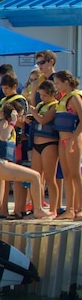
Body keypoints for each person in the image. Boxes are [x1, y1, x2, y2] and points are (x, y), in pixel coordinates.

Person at [0, 103, 53, 229]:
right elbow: (3, 136)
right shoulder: (4, 122)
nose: (22, 117)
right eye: (21, 114)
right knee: (36, 176)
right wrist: (12, 122)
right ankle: (38, 209)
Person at [0, 73, 31, 218]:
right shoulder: (4, 100)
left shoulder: (20, 100)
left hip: (18, 141)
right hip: (5, 141)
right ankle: (2, 209)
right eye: (3, 88)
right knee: (5, 177)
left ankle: (19, 209)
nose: (5, 91)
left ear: (15, 87)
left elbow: (22, 120)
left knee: (18, 176)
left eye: (7, 88)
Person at [27, 80, 61, 217]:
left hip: (49, 144)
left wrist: (34, 114)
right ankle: (38, 207)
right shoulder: (41, 105)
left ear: (53, 94)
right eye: (41, 95)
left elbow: (43, 120)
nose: (42, 98)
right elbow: (36, 119)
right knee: (36, 177)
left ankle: (54, 208)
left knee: (50, 178)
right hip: (36, 144)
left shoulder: (55, 106)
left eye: (45, 96)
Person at [52, 70, 82, 220]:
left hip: (72, 139)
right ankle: (70, 208)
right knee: (67, 175)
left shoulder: (75, 97)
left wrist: (73, 139)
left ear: (66, 82)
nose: (56, 86)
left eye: (57, 83)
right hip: (62, 140)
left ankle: (80, 208)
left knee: (76, 175)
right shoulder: (63, 98)